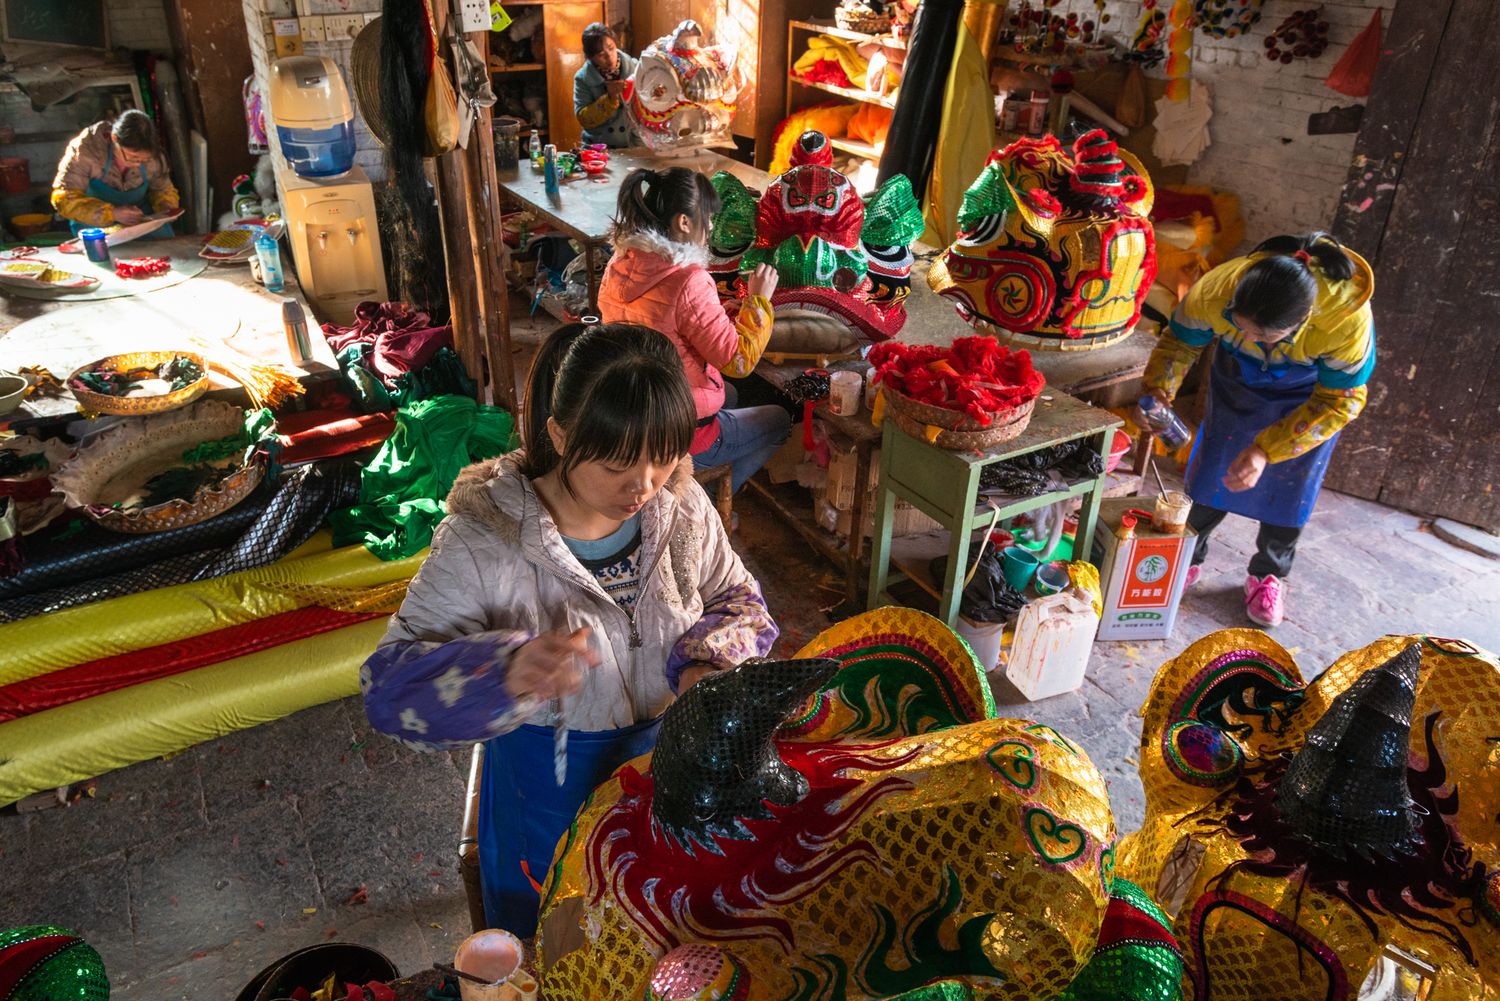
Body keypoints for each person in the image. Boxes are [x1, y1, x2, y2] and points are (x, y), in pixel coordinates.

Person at [360, 322, 779, 936]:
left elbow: (742, 601)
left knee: (658, 942)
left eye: (663, 456)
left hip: (669, 782)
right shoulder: (484, 542)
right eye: (615, 464)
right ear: (559, 435)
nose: (643, 485)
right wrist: (499, 674)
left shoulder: (681, 508)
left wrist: (705, 664)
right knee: (566, 945)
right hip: (549, 802)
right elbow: (385, 693)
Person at [1140, 231, 1375, 627]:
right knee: (1211, 472)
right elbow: (1179, 345)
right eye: (1238, 325)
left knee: (1290, 490)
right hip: (1237, 380)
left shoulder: (1345, 322)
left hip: (1311, 397)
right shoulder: (1215, 291)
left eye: (1263, 335)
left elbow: (1342, 399)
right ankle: (1187, 558)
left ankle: (1269, 573)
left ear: (1302, 320)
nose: (1248, 336)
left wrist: (1268, 450)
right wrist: (1160, 391)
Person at [598, 167, 791, 492]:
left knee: (728, 394)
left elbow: (672, 321)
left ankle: (708, 475)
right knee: (779, 419)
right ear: (684, 222)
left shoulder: (620, 263)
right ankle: (710, 498)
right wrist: (758, 301)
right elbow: (738, 362)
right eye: (707, 218)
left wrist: (723, 311)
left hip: (632, 412)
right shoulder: (688, 279)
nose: (711, 226)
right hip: (673, 432)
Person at [51, 109, 179, 236]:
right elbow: (64, 198)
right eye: (133, 157)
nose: (138, 164)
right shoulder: (85, 150)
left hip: (142, 221)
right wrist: (112, 213)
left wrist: (166, 209)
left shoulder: (155, 156)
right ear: (114, 139)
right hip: (95, 226)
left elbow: (162, 188)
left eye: (144, 159)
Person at [574, 22, 638, 148]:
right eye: (601, 55)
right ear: (590, 57)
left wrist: (655, 93)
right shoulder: (583, 78)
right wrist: (610, 98)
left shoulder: (635, 68)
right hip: (598, 148)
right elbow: (583, 119)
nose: (609, 58)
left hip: (633, 144)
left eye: (611, 48)